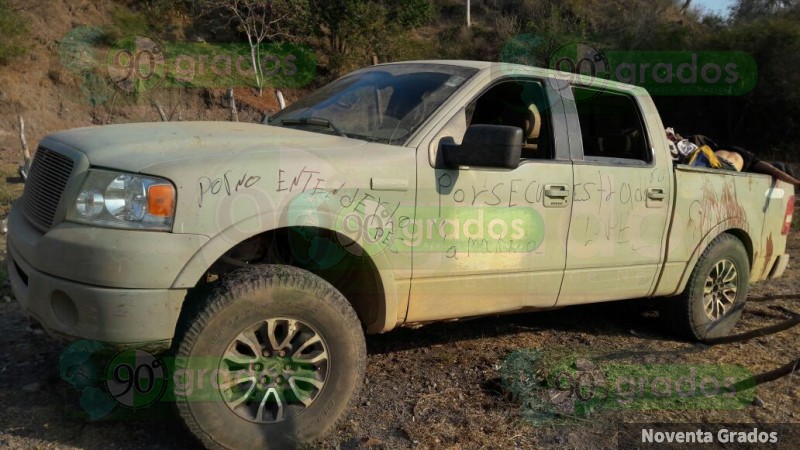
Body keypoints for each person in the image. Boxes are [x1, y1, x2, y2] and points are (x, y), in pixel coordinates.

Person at [666, 128, 800, 187]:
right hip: (723, 165)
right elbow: (775, 171)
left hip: (706, 154)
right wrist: (796, 182)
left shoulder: (724, 146)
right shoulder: (752, 159)